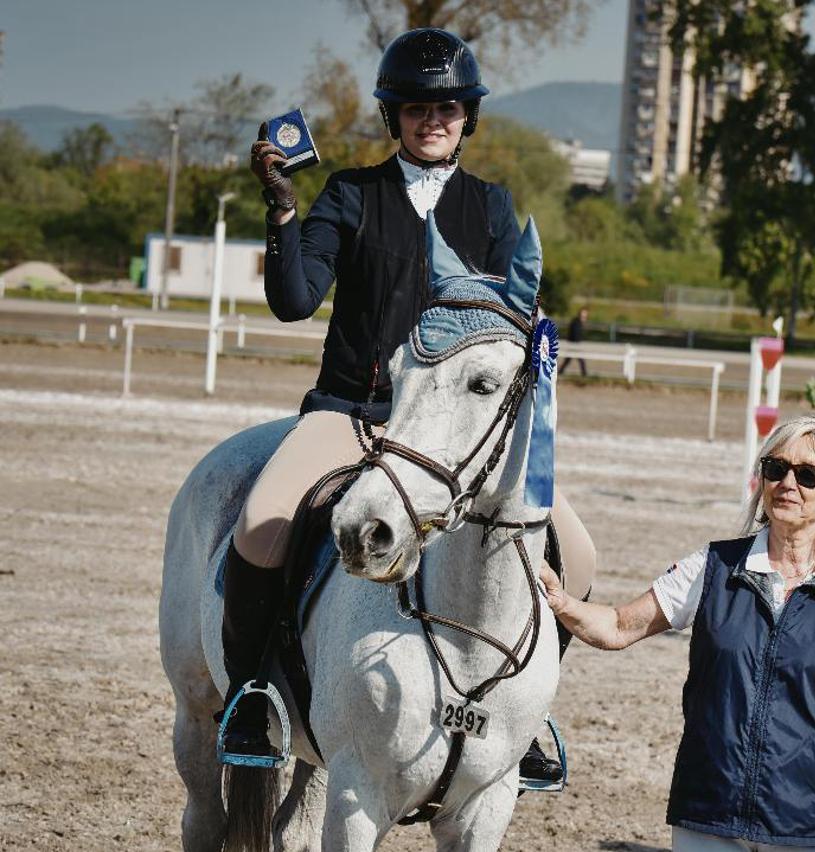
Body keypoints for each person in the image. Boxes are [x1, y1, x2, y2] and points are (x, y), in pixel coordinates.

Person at [225, 28, 595, 782]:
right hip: (351, 414)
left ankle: (522, 717)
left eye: (448, 108)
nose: (434, 120)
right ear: (393, 116)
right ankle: (253, 696)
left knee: (578, 556)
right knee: (261, 527)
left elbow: (510, 324)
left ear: (467, 117)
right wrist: (282, 209)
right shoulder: (351, 194)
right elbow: (294, 301)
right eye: (418, 108)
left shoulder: (491, 209)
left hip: (452, 434)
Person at [541, 414, 815, 852]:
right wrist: (562, 601)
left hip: (809, 828)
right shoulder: (713, 566)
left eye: (808, 475)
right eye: (776, 468)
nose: (788, 483)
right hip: (708, 813)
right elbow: (619, 626)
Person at [559, 306, 589, 376]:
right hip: (574, 344)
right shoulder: (576, 322)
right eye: (583, 314)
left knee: (569, 359)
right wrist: (576, 343)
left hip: (575, 343)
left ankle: (560, 371)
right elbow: (575, 334)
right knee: (579, 359)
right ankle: (584, 374)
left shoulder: (579, 322)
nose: (584, 316)